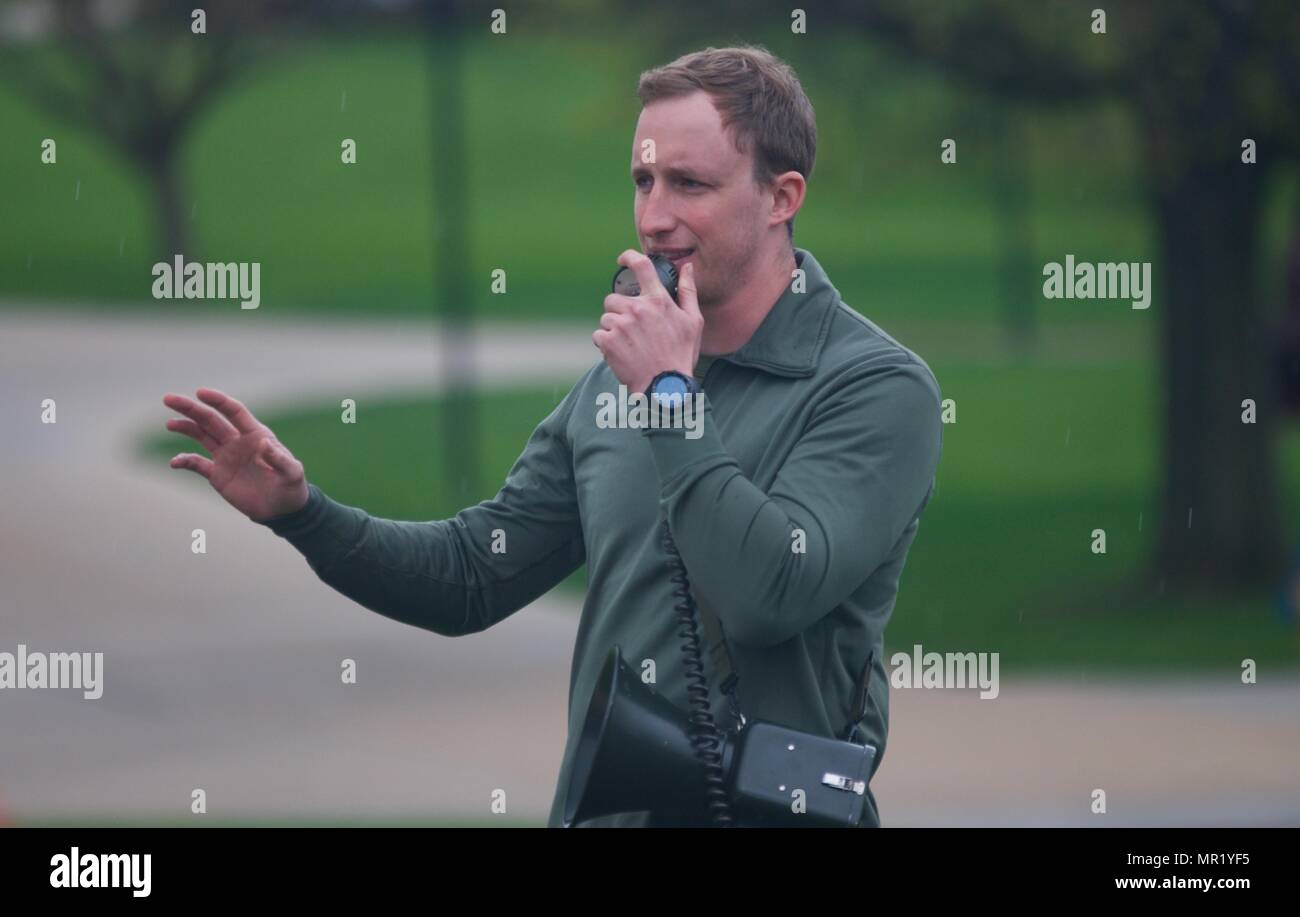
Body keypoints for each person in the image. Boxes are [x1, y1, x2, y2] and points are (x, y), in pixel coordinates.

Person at [163, 45, 943, 827]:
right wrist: (304, 513)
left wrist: (670, 399)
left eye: (690, 184)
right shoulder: (620, 378)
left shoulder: (875, 388)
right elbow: (475, 573)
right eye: (643, 181)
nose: (654, 217)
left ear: (781, 197)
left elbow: (768, 592)